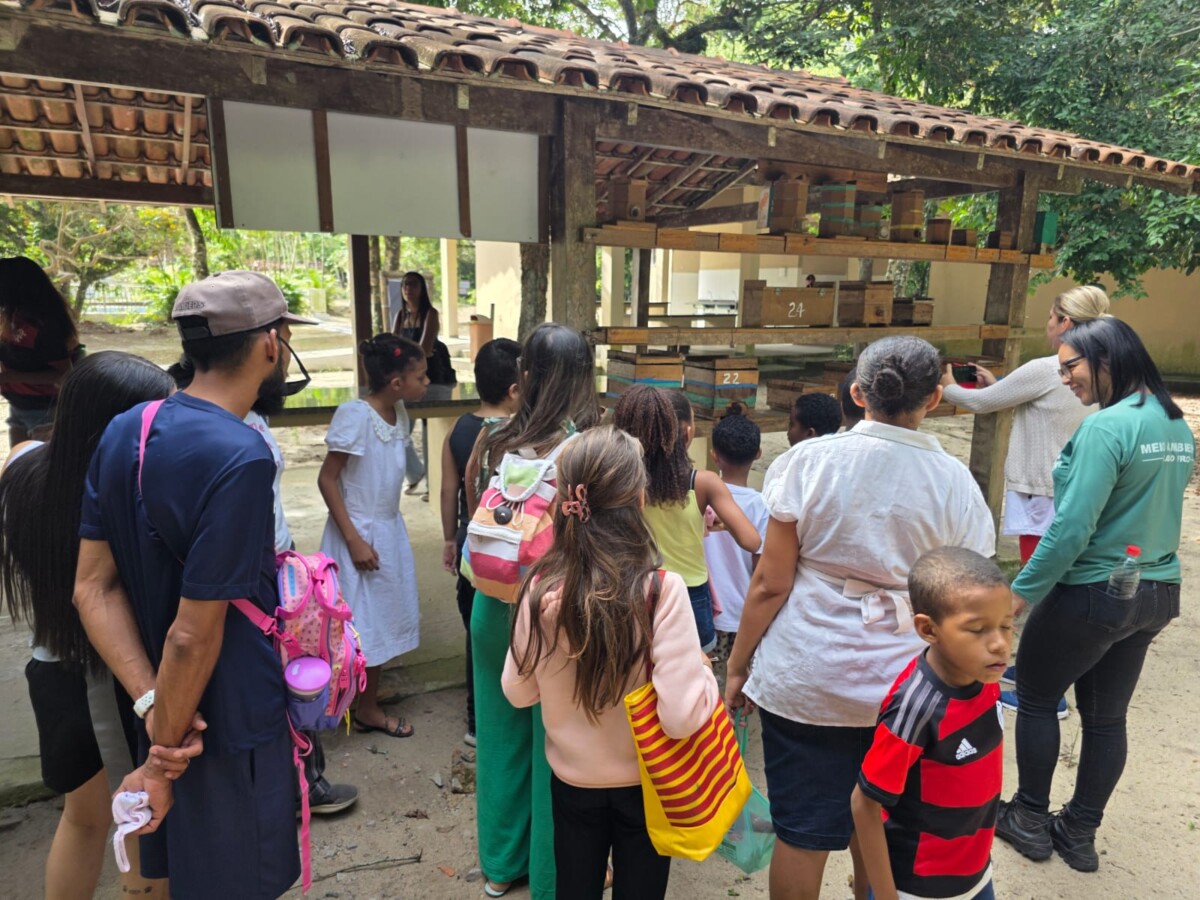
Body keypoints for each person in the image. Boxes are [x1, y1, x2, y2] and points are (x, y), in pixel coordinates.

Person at [726, 336, 996, 900]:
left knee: (801, 832)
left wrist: (738, 664)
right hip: (908, 688)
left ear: (856, 393)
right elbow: (967, 597)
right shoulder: (955, 484)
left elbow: (771, 582)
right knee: (877, 820)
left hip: (807, 674)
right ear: (936, 398)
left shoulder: (807, 462)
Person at [75, 271, 317, 899]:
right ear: (272, 343)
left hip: (163, 711)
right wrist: (163, 761)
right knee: (237, 881)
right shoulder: (241, 455)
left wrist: (152, 704)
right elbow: (192, 635)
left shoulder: (127, 427)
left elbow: (93, 588)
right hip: (224, 723)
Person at [996, 317, 1194, 873]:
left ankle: (1028, 818)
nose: (1065, 380)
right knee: (1106, 718)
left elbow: (1071, 527)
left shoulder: (1106, 428)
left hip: (1093, 592)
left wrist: (1021, 592)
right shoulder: (1174, 424)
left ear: (1105, 359)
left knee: (1037, 697)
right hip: (1156, 592)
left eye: (1071, 367)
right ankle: (1078, 833)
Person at [0, 351, 193, 900]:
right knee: (138, 821)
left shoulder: (22, 463)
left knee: (82, 819)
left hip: (50, 671)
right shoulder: (119, 493)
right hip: (105, 684)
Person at [502, 426, 720, 900]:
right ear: (639, 500)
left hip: (572, 782)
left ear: (566, 500)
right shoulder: (662, 591)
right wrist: (704, 673)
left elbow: (517, 692)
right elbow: (681, 718)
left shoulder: (540, 587)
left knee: (574, 887)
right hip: (647, 783)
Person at [166, 352, 359, 816]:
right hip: (242, 575)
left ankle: (303, 783)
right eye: (282, 345)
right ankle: (282, 792)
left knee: (298, 671)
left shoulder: (251, 412)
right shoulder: (204, 421)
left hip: (274, 562)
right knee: (266, 679)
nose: (286, 361)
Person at [464, 322, 601, 900]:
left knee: (499, 734)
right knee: (557, 744)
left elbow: (476, 513)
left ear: (524, 375)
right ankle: (550, 879)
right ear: (584, 377)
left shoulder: (491, 440)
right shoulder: (586, 449)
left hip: (491, 604)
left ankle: (500, 867)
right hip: (551, 611)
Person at [941, 286, 1110, 717]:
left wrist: (946, 384)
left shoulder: (1047, 368)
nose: (1047, 326)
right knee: (1061, 583)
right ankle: (1044, 672)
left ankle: (1046, 688)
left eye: (1051, 318)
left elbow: (980, 403)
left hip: (1041, 490)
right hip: (1073, 488)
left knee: (1042, 589)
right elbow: (1038, 403)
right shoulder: (1101, 366)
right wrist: (1002, 385)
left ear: (1065, 322)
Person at [852, 548, 1013, 900]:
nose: (1000, 644)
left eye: (1006, 625)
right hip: (919, 888)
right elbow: (864, 804)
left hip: (975, 873)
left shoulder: (985, 675)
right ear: (928, 629)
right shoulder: (916, 709)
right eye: (978, 629)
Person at [318, 333, 428, 739]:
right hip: (356, 532)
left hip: (387, 530)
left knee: (380, 619)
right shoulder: (355, 415)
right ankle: (353, 705)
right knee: (358, 622)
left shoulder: (398, 411)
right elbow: (327, 479)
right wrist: (353, 540)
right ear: (396, 382)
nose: (427, 382)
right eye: (421, 376)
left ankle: (366, 699)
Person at [613, 386, 762, 654]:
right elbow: (751, 541)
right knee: (691, 663)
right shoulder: (703, 483)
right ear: (687, 433)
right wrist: (718, 524)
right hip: (689, 594)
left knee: (643, 660)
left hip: (636, 589)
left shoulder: (622, 482)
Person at [439, 336, 522, 747]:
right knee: (514, 634)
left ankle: (476, 723)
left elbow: (447, 489)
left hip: (472, 547)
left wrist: (448, 539)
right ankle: (514, 714)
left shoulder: (458, 430)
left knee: (477, 633)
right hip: (511, 550)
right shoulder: (518, 435)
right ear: (515, 390)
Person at [704, 406, 768, 670]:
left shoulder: (701, 497)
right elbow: (761, 568)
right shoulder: (762, 506)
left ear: (714, 455)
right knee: (737, 678)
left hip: (707, 612)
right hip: (743, 614)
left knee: (707, 679)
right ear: (758, 454)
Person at [0, 256, 83, 446]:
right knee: (18, 462)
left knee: (36, 464)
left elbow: (63, 374)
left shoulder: (44, 325)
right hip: (19, 406)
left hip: (44, 411)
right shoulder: (13, 316)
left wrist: (8, 378)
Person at [392, 270, 452, 495]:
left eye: (413, 285)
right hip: (407, 381)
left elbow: (424, 349)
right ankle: (416, 473)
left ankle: (431, 485)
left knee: (430, 431)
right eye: (405, 285)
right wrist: (403, 352)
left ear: (422, 289)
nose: (408, 289)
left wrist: (401, 352)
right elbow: (392, 347)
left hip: (432, 379)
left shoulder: (430, 314)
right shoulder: (401, 315)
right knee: (400, 429)